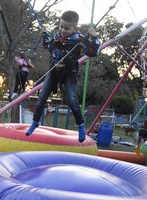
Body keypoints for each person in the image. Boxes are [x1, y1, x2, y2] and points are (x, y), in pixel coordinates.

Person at [26, 11, 100, 143]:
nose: (63, 30)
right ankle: (35, 122)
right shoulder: (57, 36)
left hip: (69, 73)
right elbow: (49, 46)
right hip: (53, 71)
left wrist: (94, 38)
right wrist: (45, 35)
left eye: (67, 28)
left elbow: (92, 53)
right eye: (61, 26)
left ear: (75, 28)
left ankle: (81, 125)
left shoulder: (79, 38)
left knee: (72, 100)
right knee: (42, 97)